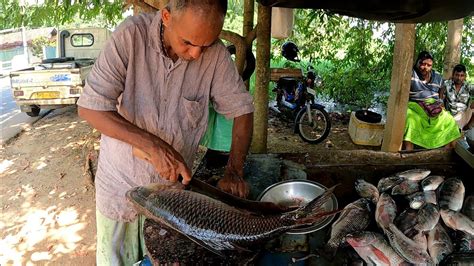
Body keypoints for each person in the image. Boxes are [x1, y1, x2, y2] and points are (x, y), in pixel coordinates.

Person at [76, 0, 254, 264]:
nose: (196, 54)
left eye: (205, 44)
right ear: (167, 17)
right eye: (188, 43)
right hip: (120, 186)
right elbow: (91, 109)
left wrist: (234, 171)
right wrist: (153, 146)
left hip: (174, 199)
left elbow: (242, 111)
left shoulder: (214, 54)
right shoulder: (130, 37)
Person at [403, 51, 461, 151]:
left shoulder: (437, 77)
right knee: (410, 119)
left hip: (434, 108)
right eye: (423, 64)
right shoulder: (410, 74)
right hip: (416, 108)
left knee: (450, 120)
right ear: (417, 62)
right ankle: (409, 152)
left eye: (429, 65)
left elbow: (442, 90)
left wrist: (440, 102)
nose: (425, 67)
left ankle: (446, 153)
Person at [440, 64, 474, 130]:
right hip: (449, 115)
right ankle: (460, 132)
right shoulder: (447, 84)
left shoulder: (468, 86)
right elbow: (440, 96)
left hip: (464, 115)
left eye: (462, 75)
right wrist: (442, 106)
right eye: (457, 75)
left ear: (465, 76)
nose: (459, 78)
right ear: (453, 75)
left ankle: (467, 128)